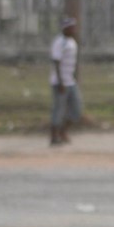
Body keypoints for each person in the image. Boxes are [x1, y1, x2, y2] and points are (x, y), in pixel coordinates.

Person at [49, 16, 81, 146]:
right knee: (58, 110)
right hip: (60, 82)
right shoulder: (59, 42)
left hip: (70, 81)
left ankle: (63, 132)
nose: (74, 30)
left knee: (76, 110)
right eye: (71, 27)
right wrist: (60, 81)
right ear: (65, 28)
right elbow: (56, 62)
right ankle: (54, 137)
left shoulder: (72, 42)